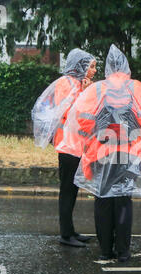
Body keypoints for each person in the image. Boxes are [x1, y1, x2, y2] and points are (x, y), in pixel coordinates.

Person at [57, 44, 141, 262]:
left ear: (107, 69)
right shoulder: (138, 88)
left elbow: (82, 121)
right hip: (128, 153)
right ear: (126, 67)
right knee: (123, 199)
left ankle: (106, 249)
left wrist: (99, 132)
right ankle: (123, 251)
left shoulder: (96, 89)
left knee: (102, 198)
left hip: (100, 152)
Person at [32, 48, 96, 247]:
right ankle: (66, 235)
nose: (93, 71)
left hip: (76, 146)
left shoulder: (77, 83)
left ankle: (70, 231)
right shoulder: (66, 83)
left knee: (73, 189)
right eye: (91, 66)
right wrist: (86, 93)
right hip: (68, 146)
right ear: (81, 66)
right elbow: (70, 112)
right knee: (67, 190)